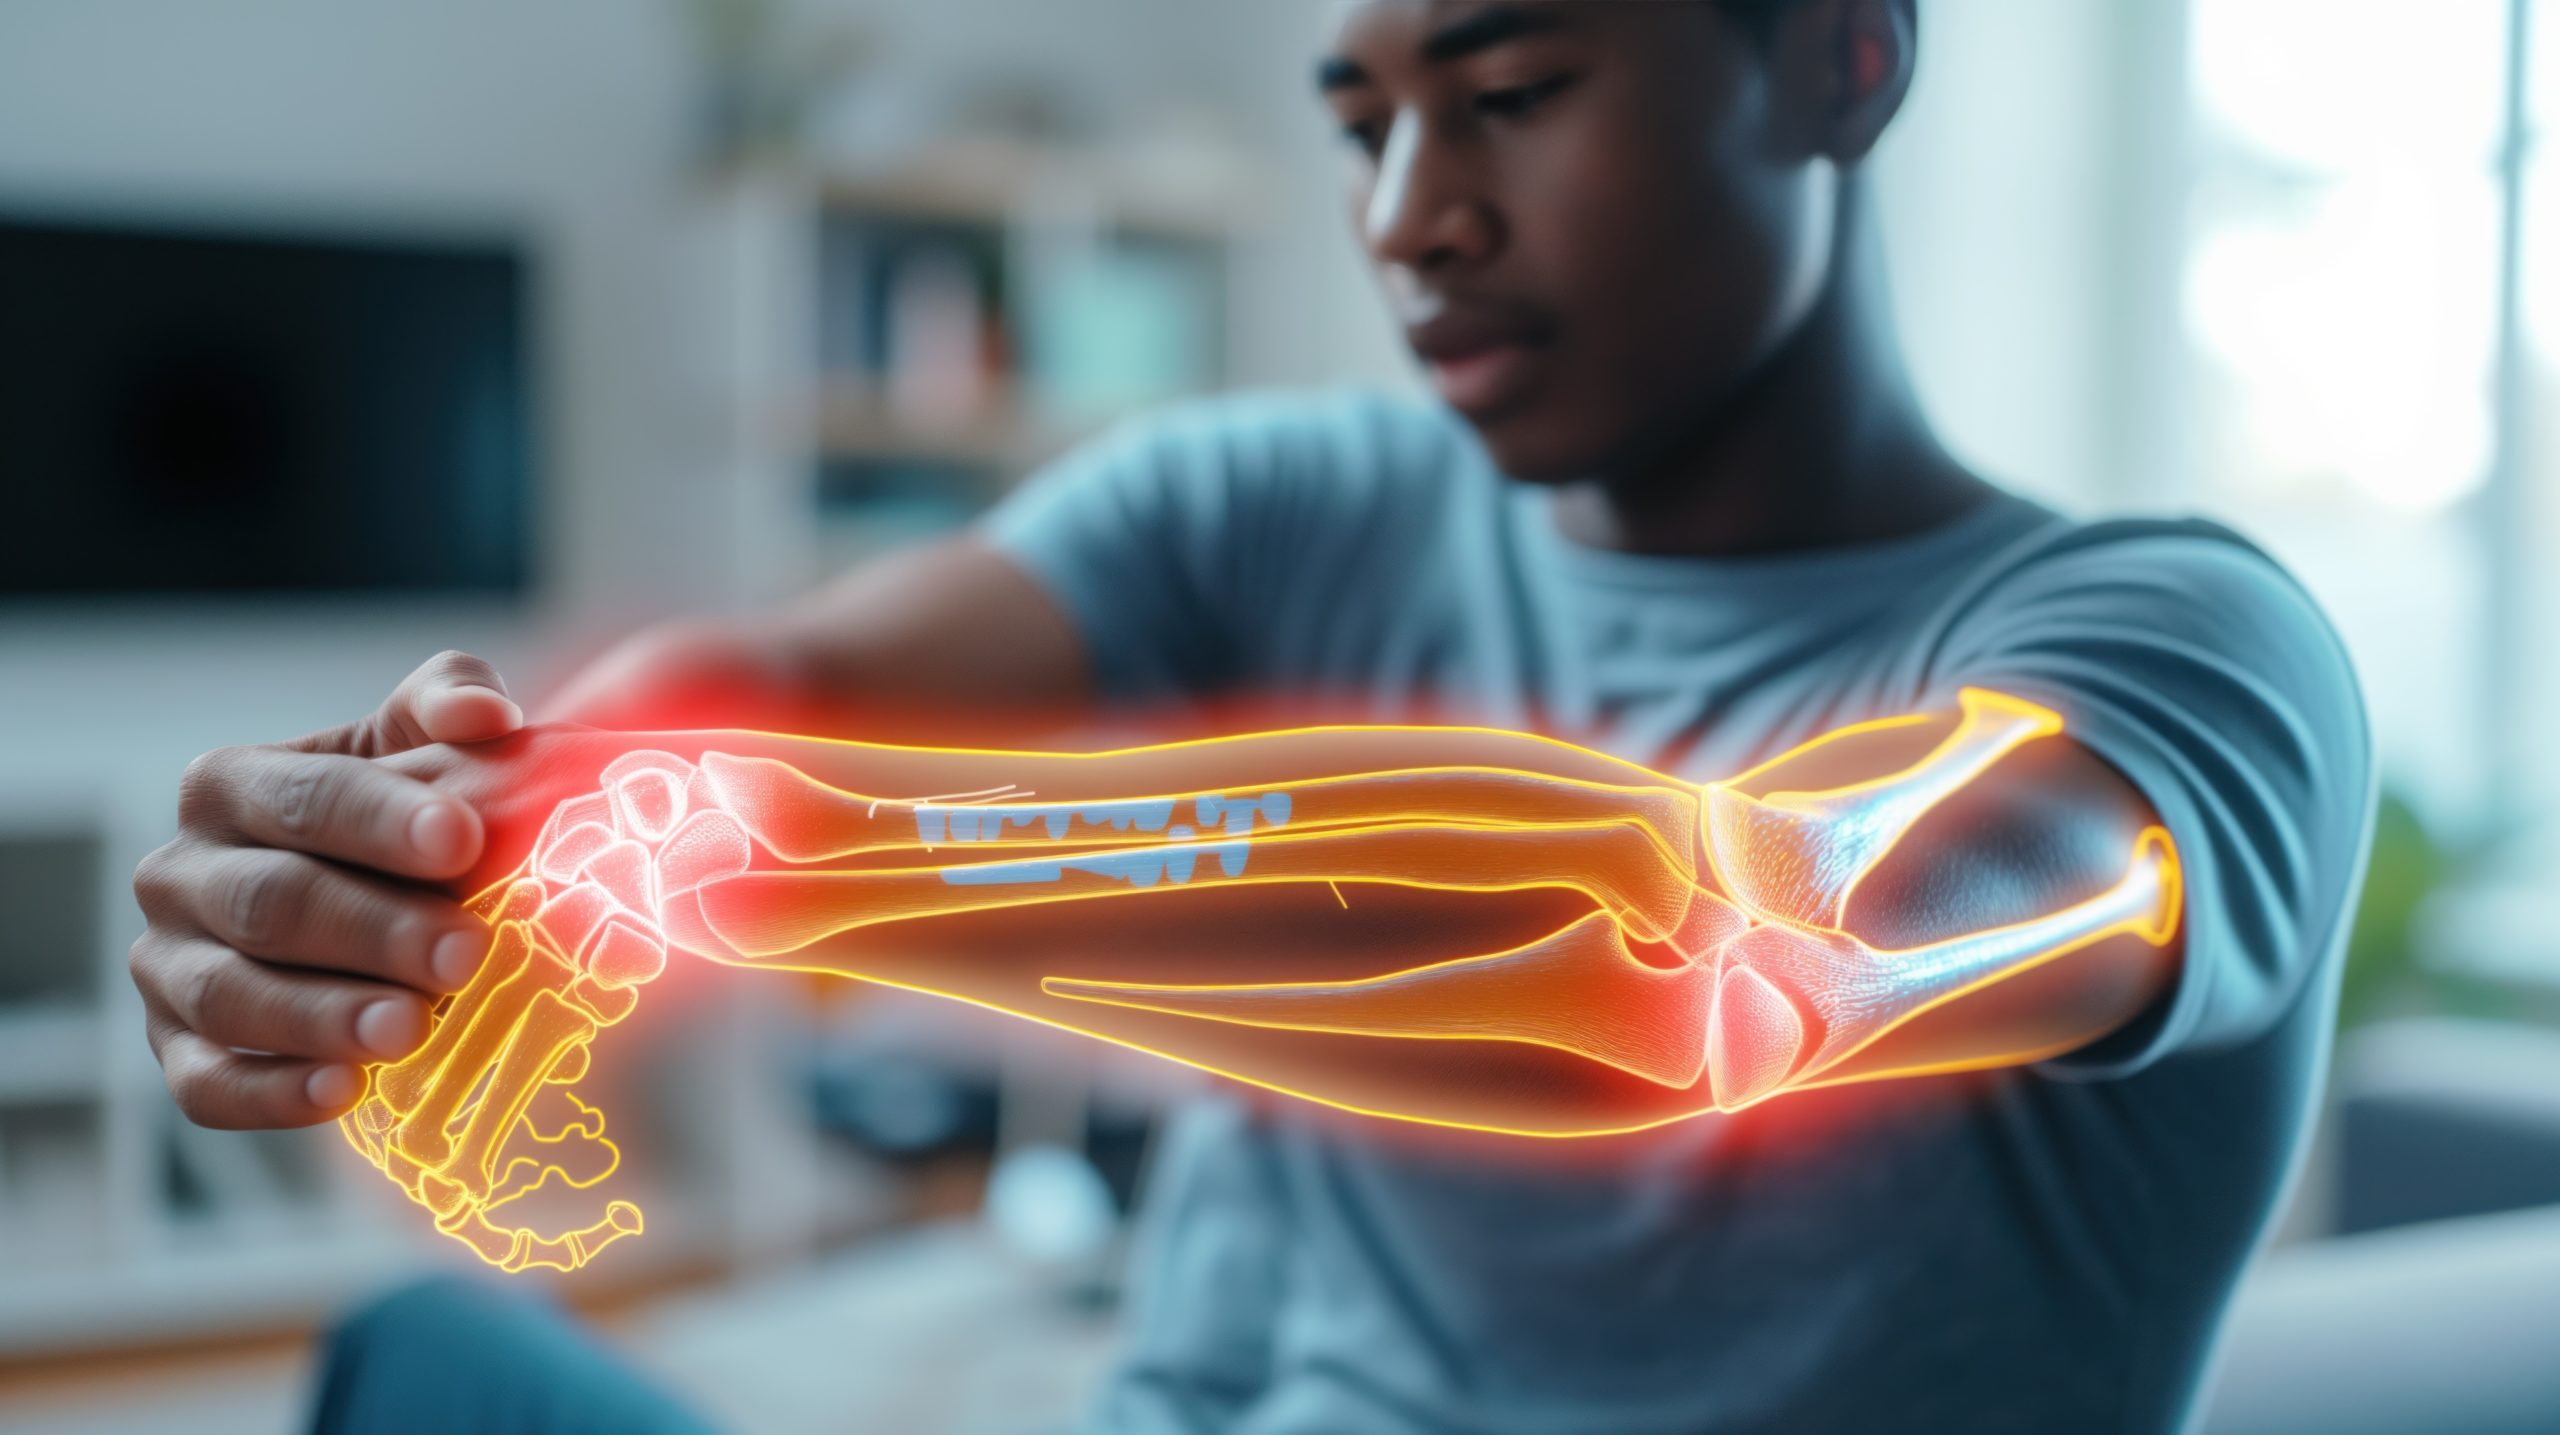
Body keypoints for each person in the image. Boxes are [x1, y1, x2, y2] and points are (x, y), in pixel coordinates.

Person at [126, 2, 2373, 1431]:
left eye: (1508, 92)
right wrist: (444, 829)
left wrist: (721, 850)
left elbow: (1705, 960)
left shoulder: (2174, 651)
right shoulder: (1283, 494)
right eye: (1360, 121)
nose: (1411, 216)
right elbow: (777, 680)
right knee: (418, 1369)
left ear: (1836, 61)